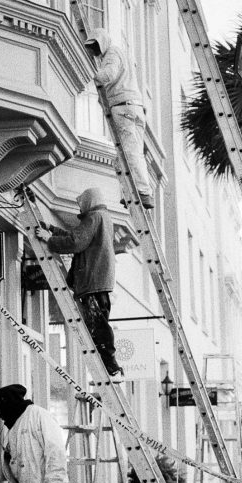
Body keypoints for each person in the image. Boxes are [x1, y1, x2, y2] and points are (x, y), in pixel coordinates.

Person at [35, 187, 123, 379]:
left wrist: (50, 240)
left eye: (81, 203)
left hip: (92, 282)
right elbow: (78, 238)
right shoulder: (103, 218)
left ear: (89, 202)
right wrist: (52, 230)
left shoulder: (94, 217)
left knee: (98, 325)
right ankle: (110, 364)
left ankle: (111, 366)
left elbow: (76, 243)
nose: (80, 207)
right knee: (99, 323)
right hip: (98, 281)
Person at [83, 28, 155, 210]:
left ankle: (143, 192)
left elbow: (109, 74)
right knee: (130, 153)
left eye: (96, 47)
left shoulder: (112, 53)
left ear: (103, 43)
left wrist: (91, 74)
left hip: (124, 108)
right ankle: (132, 192)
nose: (95, 52)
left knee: (130, 153)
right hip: (134, 107)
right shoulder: (119, 54)